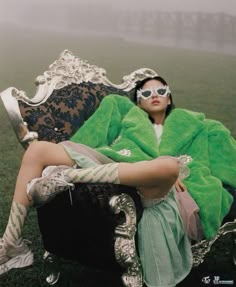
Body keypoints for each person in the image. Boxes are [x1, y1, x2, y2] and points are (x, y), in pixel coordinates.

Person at [0, 75, 235, 287]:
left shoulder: (193, 123)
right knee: (37, 151)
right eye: (146, 92)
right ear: (138, 101)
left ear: (170, 98)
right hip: (112, 164)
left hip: (156, 181)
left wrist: (179, 174)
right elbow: (93, 140)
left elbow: (206, 162)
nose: (154, 95)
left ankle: (67, 176)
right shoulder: (125, 112)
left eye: (161, 91)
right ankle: (12, 243)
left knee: (169, 166)